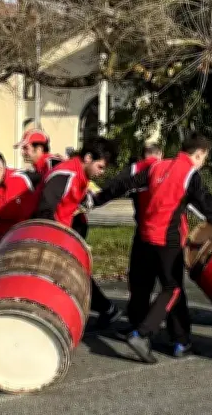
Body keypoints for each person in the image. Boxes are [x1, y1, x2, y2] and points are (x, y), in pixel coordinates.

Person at [92, 132, 212, 363]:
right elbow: (207, 205)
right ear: (199, 154)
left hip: (145, 237)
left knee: (148, 287)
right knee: (173, 289)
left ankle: (178, 340)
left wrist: (96, 200)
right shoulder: (189, 173)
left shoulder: (157, 166)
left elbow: (126, 185)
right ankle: (143, 334)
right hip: (167, 240)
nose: (203, 163)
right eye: (204, 158)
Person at [33, 136, 123, 329]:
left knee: (74, 275)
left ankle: (105, 310)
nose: (101, 172)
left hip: (64, 233)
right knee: (69, 276)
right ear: (88, 158)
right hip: (51, 235)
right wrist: (53, 240)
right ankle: (105, 309)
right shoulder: (65, 175)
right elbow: (44, 210)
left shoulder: (78, 174)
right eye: (100, 167)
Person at [110, 143, 163, 339]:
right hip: (167, 236)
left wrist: (95, 199)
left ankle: (137, 325)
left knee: (139, 282)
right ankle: (179, 337)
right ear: (161, 154)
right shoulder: (168, 170)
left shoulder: (137, 170)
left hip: (144, 233)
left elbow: (116, 186)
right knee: (170, 286)